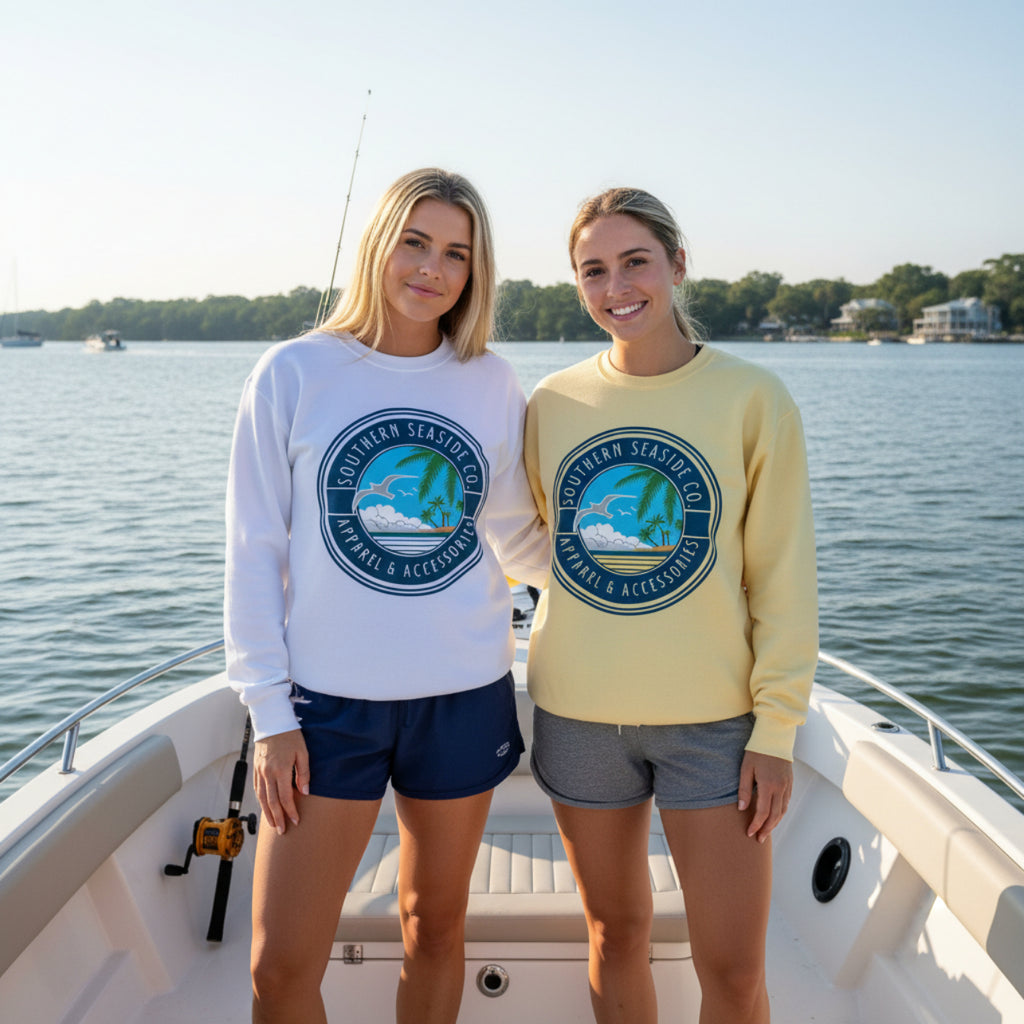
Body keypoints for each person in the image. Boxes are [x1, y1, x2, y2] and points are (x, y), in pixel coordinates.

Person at [224, 167, 549, 1024]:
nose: (432, 268)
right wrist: (269, 714)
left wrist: (632, 585)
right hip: (325, 709)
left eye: (456, 253)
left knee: (434, 928)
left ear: (475, 272)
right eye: (415, 242)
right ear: (379, 244)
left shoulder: (490, 381)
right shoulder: (293, 372)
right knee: (279, 968)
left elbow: (514, 536)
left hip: (464, 693)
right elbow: (253, 552)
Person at [523, 187, 818, 1024]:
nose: (616, 286)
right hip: (578, 715)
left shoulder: (754, 399)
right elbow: (540, 544)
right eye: (594, 270)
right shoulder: (551, 404)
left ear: (678, 265)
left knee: (733, 971)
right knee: (614, 933)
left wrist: (776, 730)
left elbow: (784, 578)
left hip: (714, 725)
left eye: (636, 262)